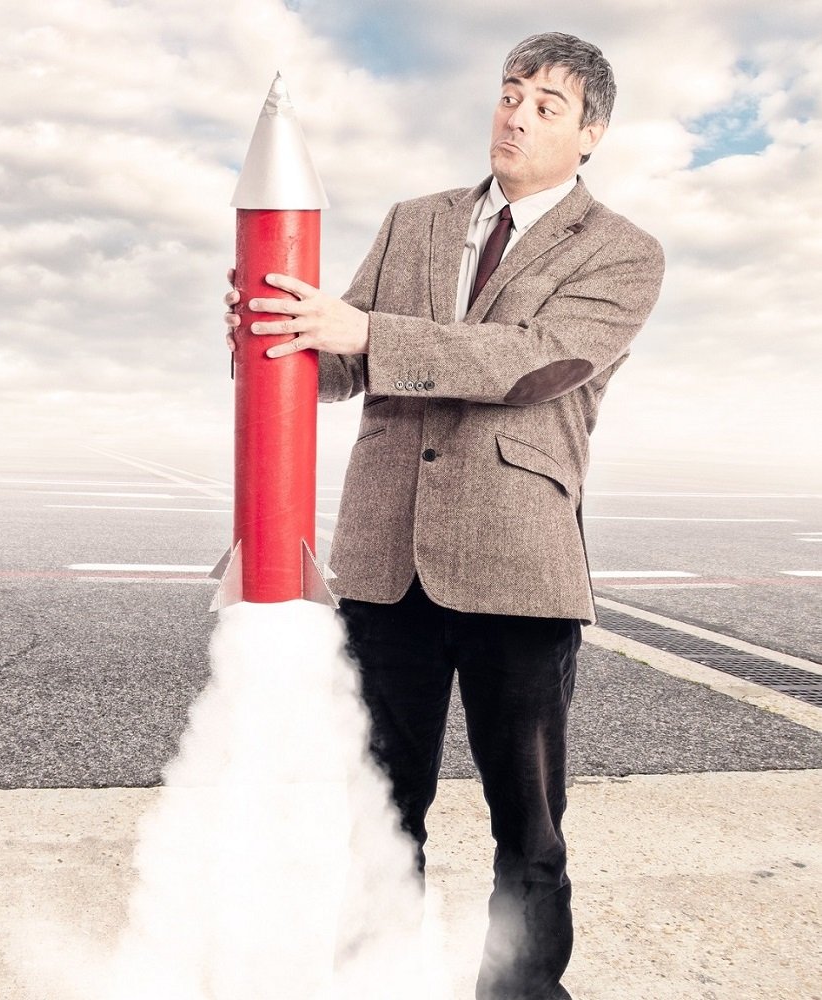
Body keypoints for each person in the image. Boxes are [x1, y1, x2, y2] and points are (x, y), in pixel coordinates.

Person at [223, 32, 665, 1000]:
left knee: (528, 825)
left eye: (547, 104)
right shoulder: (414, 220)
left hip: (517, 564)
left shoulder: (623, 252)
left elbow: (539, 360)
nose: (516, 113)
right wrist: (274, 331)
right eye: (510, 92)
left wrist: (368, 333)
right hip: (386, 560)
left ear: (590, 134)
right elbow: (340, 368)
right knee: (381, 812)